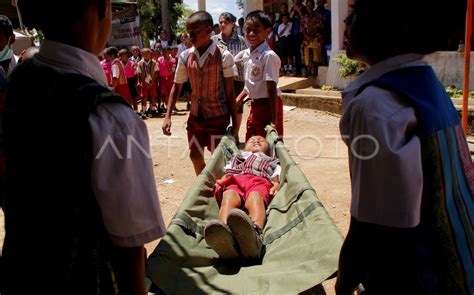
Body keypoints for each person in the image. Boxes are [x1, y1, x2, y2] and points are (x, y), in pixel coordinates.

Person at [2, 1, 167, 294]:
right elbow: (129, 248)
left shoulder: (19, 80)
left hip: (20, 274)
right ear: (101, 9)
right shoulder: (111, 116)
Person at [336, 0, 473, 294]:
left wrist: (346, 278)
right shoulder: (426, 85)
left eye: (356, 14)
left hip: (412, 275)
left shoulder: (375, 104)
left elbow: (376, 221)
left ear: (388, 27)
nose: (346, 24)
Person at [162, 11, 237, 176]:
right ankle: (204, 188)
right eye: (189, 32)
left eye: (196, 31)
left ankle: (220, 192)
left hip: (217, 116)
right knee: (195, 155)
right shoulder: (185, 57)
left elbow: (230, 93)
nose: (191, 35)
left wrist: (235, 125)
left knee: (219, 161)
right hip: (196, 116)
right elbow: (176, 87)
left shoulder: (224, 56)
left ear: (209, 30)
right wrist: (168, 115)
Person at [205, 135, 280, 260]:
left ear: (268, 149)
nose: (256, 141)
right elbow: (227, 173)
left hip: (259, 180)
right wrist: (222, 181)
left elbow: (276, 179)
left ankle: (256, 235)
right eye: (252, 140)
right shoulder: (236, 158)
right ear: (245, 148)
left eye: (261, 140)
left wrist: (276, 185)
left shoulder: (272, 160)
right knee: (229, 197)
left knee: (255, 198)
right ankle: (224, 232)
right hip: (235, 179)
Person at [235, 10, 283, 141]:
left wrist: (274, 120)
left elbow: (271, 87)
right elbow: (249, 85)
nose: (251, 34)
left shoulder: (268, 56)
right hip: (255, 105)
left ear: (267, 31)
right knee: (251, 141)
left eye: (256, 30)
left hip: (268, 106)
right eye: (248, 29)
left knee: (266, 144)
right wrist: (238, 100)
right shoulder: (248, 54)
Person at [212, 12, 249, 144]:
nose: (222, 25)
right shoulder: (214, 40)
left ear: (232, 24)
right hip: (220, 80)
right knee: (223, 107)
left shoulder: (242, 41)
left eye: (225, 22)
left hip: (237, 78)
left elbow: (248, 58)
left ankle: (235, 133)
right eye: (221, 22)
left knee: (237, 107)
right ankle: (224, 135)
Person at [136, 47, 159, 118]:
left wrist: (152, 82)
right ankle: (144, 110)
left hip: (152, 82)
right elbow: (139, 73)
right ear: (142, 54)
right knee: (144, 97)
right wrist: (144, 82)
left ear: (150, 54)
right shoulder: (140, 63)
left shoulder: (154, 62)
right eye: (144, 53)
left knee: (152, 96)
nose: (146, 55)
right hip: (144, 83)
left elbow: (156, 72)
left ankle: (152, 109)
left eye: (147, 53)